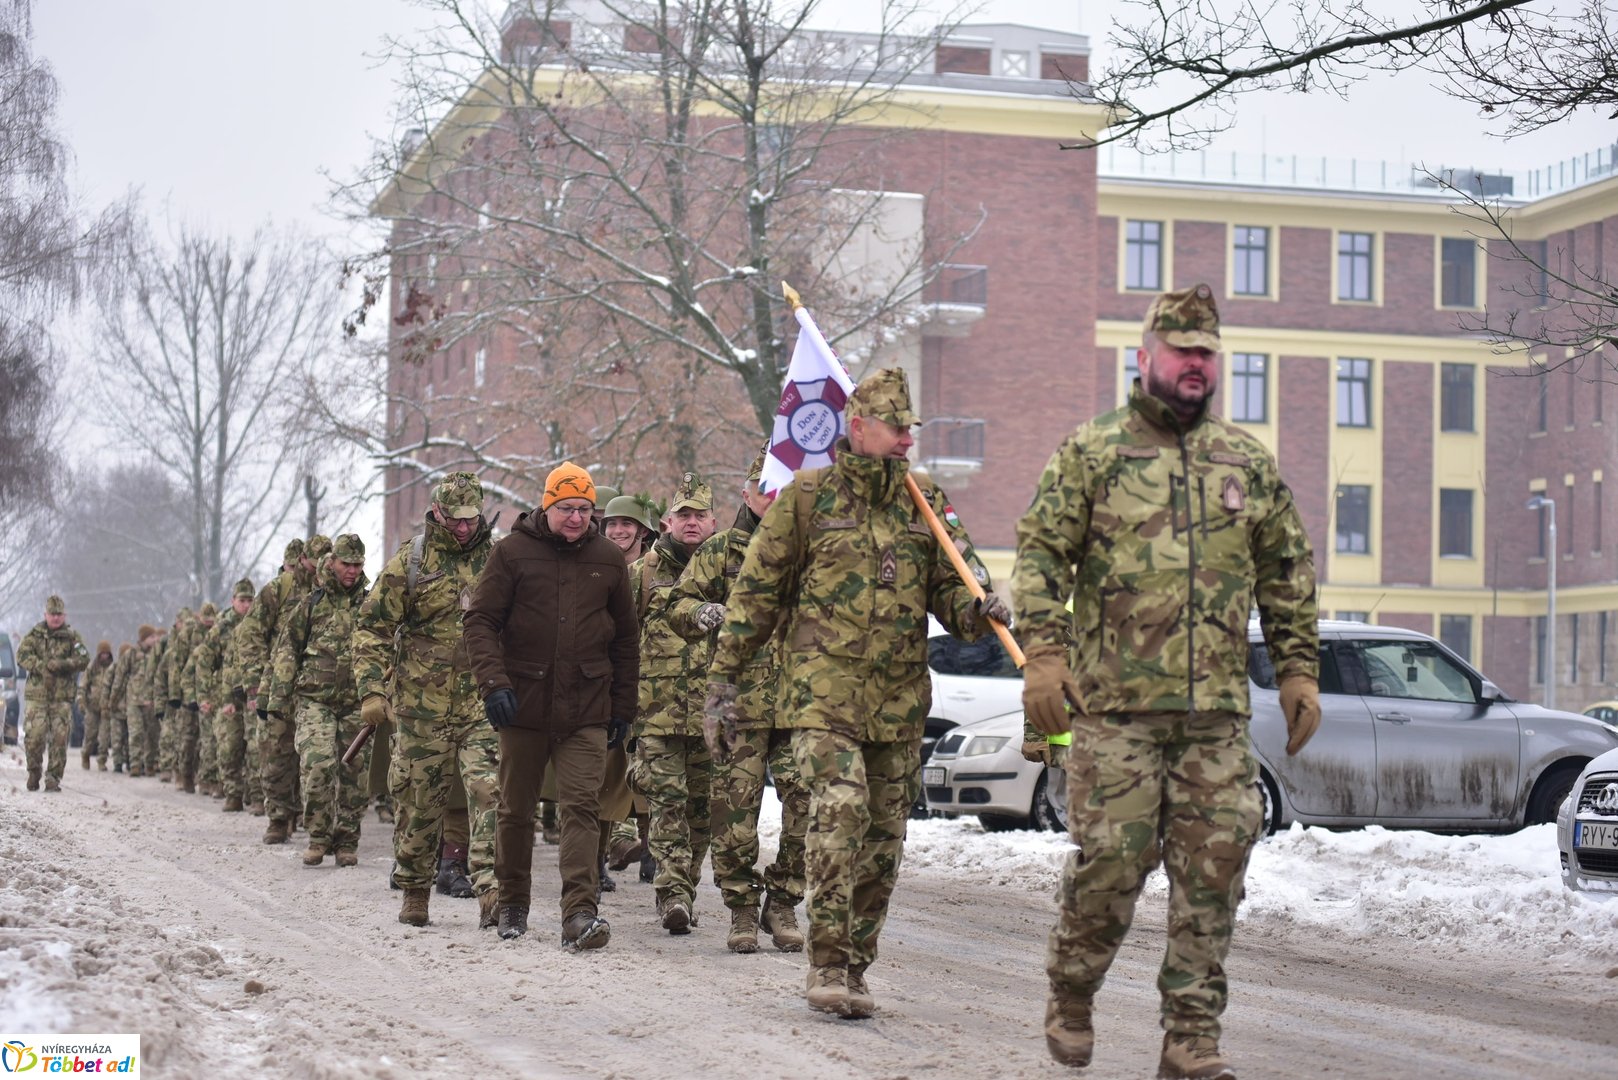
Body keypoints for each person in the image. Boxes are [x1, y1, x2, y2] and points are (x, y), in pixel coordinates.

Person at [1013, 283, 1320, 1078]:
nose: (1196, 365)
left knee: (1216, 867)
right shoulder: (1095, 452)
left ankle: (1191, 1034)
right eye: (1182, 351)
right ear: (1144, 356)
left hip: (1214, 714)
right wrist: (1045, 657)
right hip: (1115, 710)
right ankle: (1072, 992)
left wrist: (1297, 670)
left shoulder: (1244, 462)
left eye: (1207, 354)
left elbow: (1287, 570)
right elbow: (1042, 556)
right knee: (1113, 859)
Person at [707, 368, 1005, 1018]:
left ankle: (857, 966)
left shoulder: (925, 501)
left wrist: (984, 608)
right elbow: (756, 595)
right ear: (858, 426)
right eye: (896, 428)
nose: (906, 440)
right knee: (839, 812)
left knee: (882, 842)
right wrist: (724, 678)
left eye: (911, 430)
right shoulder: (808, 498)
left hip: (898, 705)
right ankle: (825, 961)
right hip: (823, 698)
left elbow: (957, 593)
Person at [464, 460, 638, 948]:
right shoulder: (513, 553)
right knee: (515, 808)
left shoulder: (608, 558)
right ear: (548, 505)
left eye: (585, 509)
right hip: (523, 703)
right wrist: (494, 683)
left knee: (581, 805)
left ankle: (579, 914)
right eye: (567, 508)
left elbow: (626, 640)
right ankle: (513, 903)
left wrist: (623, 705)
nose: (578, 517)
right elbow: (480, 622)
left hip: (587, 705)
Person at [670, 449, 808, 953]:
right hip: (735, 704)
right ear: (747, 494)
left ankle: (785, 899)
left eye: (781, 489)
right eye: (762, 488)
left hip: (801, 705)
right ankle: (742, 909)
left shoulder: (810, 548)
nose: (771, 498)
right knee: (733, 812)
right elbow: (675, 603)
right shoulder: (721, 550)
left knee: (807, 802)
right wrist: (702, 612)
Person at [352, 471, 501, 930]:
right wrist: (373, 690)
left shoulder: (498, 561)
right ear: (436, 512)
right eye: (454, 519)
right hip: (421, 710)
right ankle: (416, 887)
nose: (463, 527)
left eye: (470, 519)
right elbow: (371, 629)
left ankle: (491, 889)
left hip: (482, 704)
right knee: (419, 804)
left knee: (490, 792)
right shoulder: (411, 562)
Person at [630, 471, 721, 934]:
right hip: (658, 715)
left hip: (713, 716)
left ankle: (687, 882)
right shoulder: (642, 574)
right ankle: (672, 896)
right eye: (683, 514)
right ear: (667, 521)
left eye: (699, 515)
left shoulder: (728, 570)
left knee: (702, 812)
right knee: (667, 805)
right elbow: (618, 638)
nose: (691, 523)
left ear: (713, 520)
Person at [267, 533, 371, 868]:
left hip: (357, 702)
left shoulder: (370, 605)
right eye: (346, 564)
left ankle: (347, 839)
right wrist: (278, 702)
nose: (352, 571)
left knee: (356, 773)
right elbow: (286, 652)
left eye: (358, 564)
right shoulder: (311, 605)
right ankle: (318, 835)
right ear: (332, 563)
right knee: (318, 764)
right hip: (315, 701)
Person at [240, 536, 325, 844]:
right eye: (314, 564)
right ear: (302, 560)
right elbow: (250, 633)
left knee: (313, 754)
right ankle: (278, 817)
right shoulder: (279, 589)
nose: (318, 570)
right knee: (276, 752)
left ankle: (307, 814)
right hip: (277, 685)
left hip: (314, 685)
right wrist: (258, 676)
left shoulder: (327, 590)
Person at [601, 493, 661, 881]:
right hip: (606, 680)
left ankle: (651, 851)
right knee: (606, 771)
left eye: (627, 524)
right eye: (612, 524)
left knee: (652, 767)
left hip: (653, 683)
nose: (619, 531)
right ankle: (600, 859)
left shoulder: (657, 570)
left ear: (643, 531)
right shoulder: (595, 566)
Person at [16, 595, 90, 792]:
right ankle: (34, 770)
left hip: (61, 697)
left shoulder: (72, 637)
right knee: (34, 737)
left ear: (64, 615)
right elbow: (21, 656)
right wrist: (42, 667)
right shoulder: (35, 635)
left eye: (59, 614)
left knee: (59, 739)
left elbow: (84, 659)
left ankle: (53, 779)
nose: (56, 618)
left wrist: (63, 665)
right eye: (52, 614)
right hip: (37, 697)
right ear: (45, 615)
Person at [208, 578, 255, 810]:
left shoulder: (260, 623)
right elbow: (206, 663)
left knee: (256, 747)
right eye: (242, 600)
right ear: (233, 601)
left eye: (249, 600)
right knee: (229, 746)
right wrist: (210, 696)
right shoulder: (221, 629)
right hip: (228, 695)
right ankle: (233, 793)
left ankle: (256, 796)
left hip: (254, 693)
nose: (246, 605)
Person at [78, 639, 116, 770]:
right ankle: (86, 755)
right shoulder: (92, 668)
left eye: (107, 653)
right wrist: (81, 701)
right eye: (102, 653)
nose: (104, 656)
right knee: (90, 735)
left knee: (105, 736)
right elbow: (83, 685)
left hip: (106, 708)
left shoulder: (113, 668)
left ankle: (102, 760)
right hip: (92, 707)